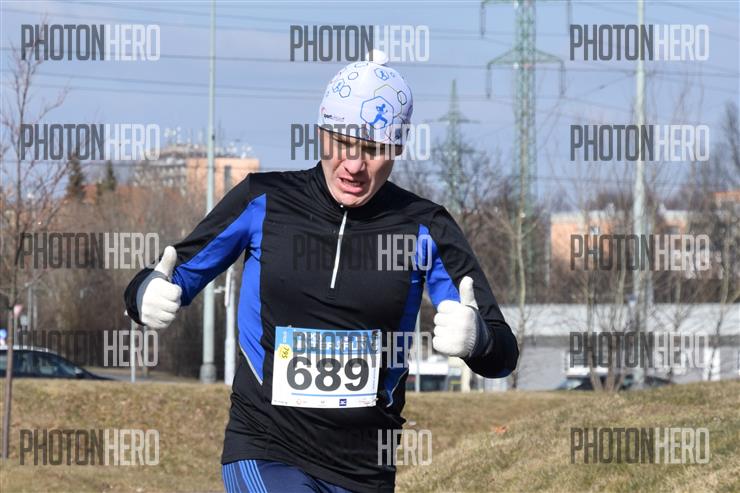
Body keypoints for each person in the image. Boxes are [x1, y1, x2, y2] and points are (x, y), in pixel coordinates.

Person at [124, 50, 518, 493]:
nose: (354, 165)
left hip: (364, 471)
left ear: (398, 149)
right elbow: (172, 273)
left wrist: (478, 340)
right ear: (320, 133)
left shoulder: (425, 227)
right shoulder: (262, 201)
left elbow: (503, 352)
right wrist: (143, 294)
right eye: (343, 143)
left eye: (373, 149)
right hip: (266, 446)